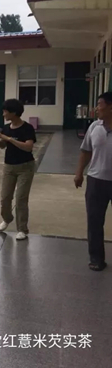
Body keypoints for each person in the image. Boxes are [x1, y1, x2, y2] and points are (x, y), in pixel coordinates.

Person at [74, 92, 112, 272]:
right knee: (94, 221)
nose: (96, 109)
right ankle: (96, 259)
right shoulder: (94, 127)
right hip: (96, 181)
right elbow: (86, 151)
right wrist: (79, 173)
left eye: (99, 104)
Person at [0, 99, 36, 241]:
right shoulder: (6, 128)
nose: (3, 114)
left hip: (25, 167)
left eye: (5, 111)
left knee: (21, 198)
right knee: (5, 197)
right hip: (9, 167)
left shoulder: (27, 128)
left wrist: (9, 139)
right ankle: (7, 218)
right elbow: (3, 146)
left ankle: (22, 229)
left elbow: (28, 147)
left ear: (14, 113)